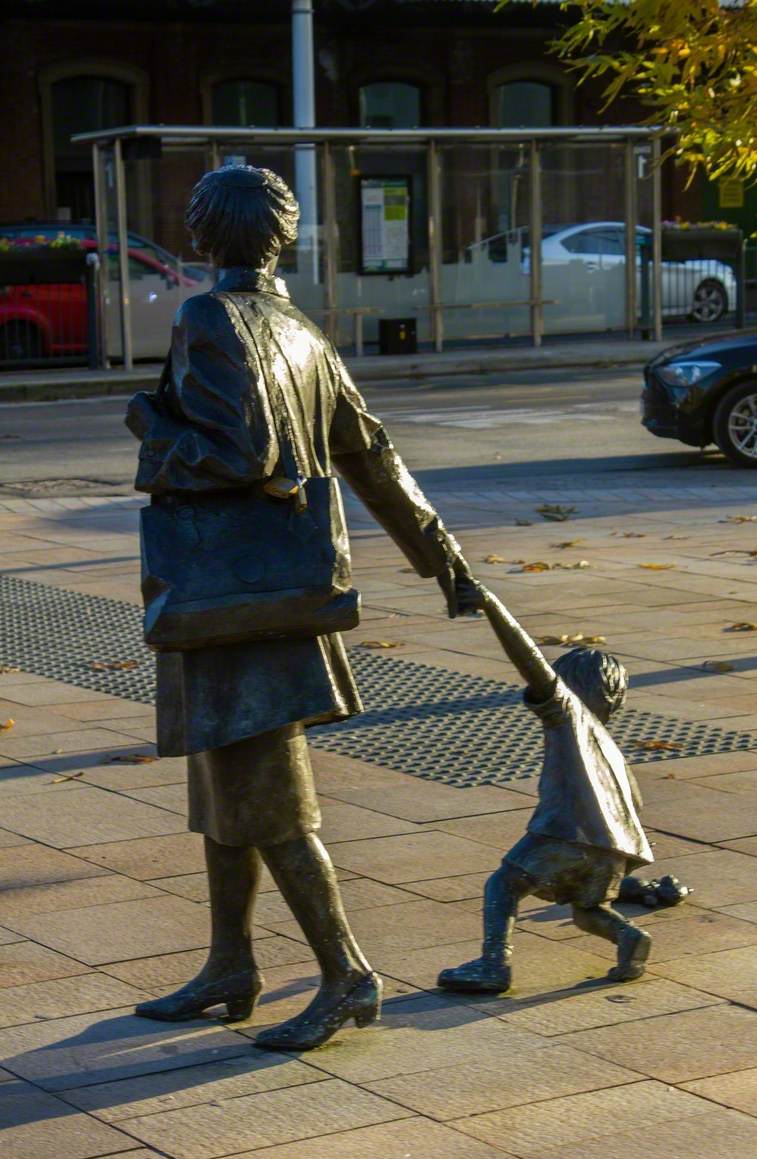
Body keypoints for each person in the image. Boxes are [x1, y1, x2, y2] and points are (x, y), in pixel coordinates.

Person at [126, 164, 476, 1050]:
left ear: (204, 237)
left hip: (231, 598)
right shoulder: (303, 331)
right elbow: (373, 453)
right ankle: (230, 963)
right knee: (221, 785)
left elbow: (238, 454)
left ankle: (348, 971)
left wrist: (150, 425)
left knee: (270, 800)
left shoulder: (209, 317)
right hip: (274, 594)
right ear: (279, 238)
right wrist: (443, 559)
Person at [438, 585, 655, 993]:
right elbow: (633, 807)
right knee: (588, 910)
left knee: (503, 885)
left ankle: (494, 963)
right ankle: (629, 938)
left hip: (564, 834)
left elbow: (528, 659)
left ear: (565, 687)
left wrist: (491, 605)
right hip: (614, 848)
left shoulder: (566, 714)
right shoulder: (610, 747)